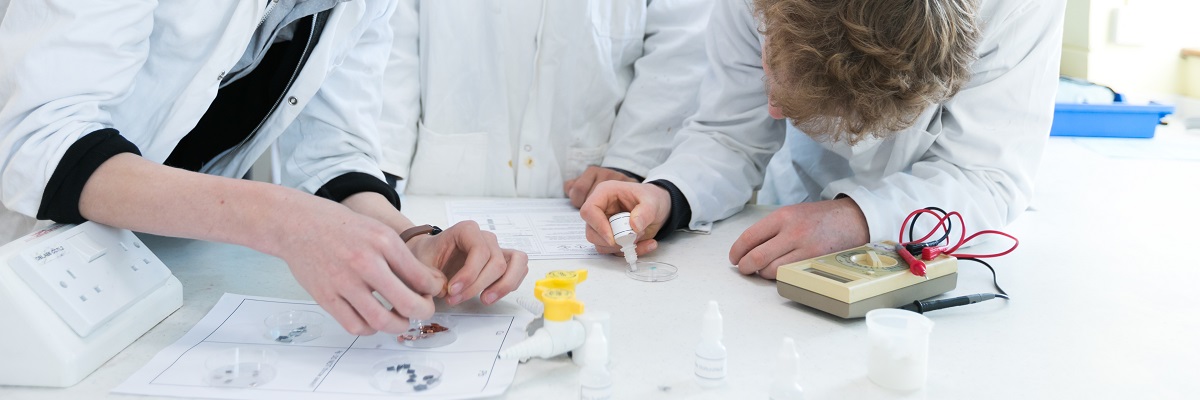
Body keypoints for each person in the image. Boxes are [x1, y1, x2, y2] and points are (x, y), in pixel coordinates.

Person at [0, 0, 527, 335]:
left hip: (161, 276)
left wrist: (408, 242)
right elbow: (36, 138)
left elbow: (330, 150)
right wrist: (283, 221)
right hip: (36, 273)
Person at [579, 0, 1065, 279]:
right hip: (798, 206)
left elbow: (987, 174)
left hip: (942, 230)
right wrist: (668, 195)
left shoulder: (1017, 9)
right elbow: (733, 132)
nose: (772, 109)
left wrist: (861, 218)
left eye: (787, 101)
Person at [378, 0, 710, 206]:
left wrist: (632, 161)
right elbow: (386, 42)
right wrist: (376, 176)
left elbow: (680, 45)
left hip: (590, 194)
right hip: (439, 189)